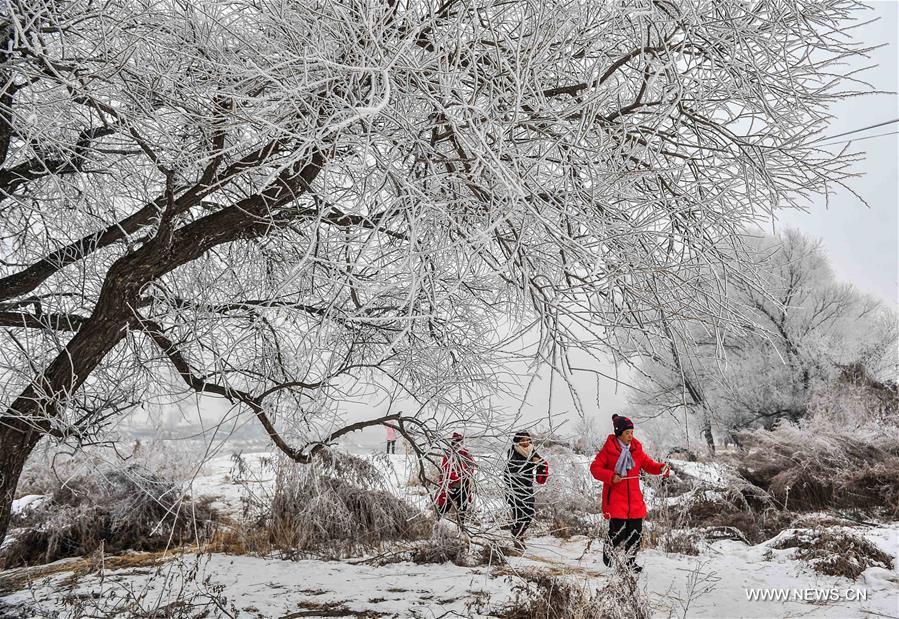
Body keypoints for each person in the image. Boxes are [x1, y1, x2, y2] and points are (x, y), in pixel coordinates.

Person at [590, 414, 669, 573]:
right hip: (616, 500)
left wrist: (661, 468)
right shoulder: (609, 450)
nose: (630, 436)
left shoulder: (636, 449)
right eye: (627, 433)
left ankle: (629, 562)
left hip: (634, 500)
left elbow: (648, 464)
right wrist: (611, 477)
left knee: (635, 534)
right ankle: (608, 552)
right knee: (618, 533)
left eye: (632, 432)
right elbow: (595, 469)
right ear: (619, 433)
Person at [504, 431, 549, 550]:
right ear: (517, 441)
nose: (525, 442)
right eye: (522, 440)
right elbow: (514, 467)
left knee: (529, 514)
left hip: (528, 487)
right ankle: (518, 539)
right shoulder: (512, 451)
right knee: (519, 515)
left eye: (527, 439)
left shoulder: (531, 450)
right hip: (515, 487)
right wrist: (530, 463)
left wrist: (541, 465)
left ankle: (517, 534)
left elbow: (541, 462)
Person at [434, 433, 476, 526]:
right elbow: (446, 470)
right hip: (451, 485)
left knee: (463, 507)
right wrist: (457, 477)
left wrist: (466, 473)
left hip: (464, 485)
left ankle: (461, 526)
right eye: (457, 443)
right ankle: (436, 523)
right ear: (453, 443)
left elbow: (472, 467)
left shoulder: (466, 454)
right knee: (445, 505)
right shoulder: (448, 454)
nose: (459, 445)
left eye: (461, 443)